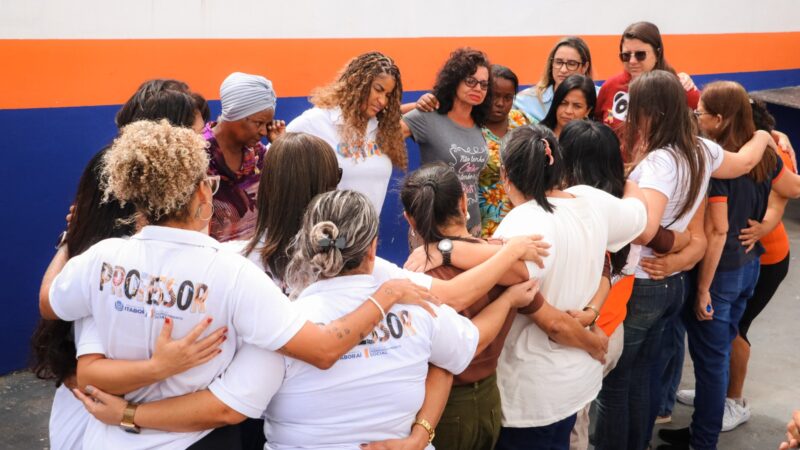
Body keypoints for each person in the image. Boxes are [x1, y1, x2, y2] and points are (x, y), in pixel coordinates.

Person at [38, 120, 435, 449]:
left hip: (105, 438)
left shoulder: (101, 259)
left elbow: (50, 303)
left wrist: (69, 240)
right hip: (195, 439)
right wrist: (387, 295)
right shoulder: (230, 272)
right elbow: (323, 349)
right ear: (199, 192)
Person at [592, 71, 774, 450]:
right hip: (673, 285)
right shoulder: (700, 149)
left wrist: (674, 239)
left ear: (650, 112)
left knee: (617, 383)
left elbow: (645, 229)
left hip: (642, 282)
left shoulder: (659, 164)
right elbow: (742, 162)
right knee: (643, 376)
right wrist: (763, 134)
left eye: (635, 108)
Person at [487, 124, 647, 450]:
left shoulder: (522, 225)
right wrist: (629, 179)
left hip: (529, 396)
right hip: (575, 382)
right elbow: (640, 215)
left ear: (505, 174)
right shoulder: (591, 201)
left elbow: (525, 299)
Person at [658, 81, 800, 450]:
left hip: (719, 274)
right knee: (718, 353)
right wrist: (768, 223)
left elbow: (718, 232)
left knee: (711, 361)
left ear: (719, 119)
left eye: (700, 113)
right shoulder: (765, 155)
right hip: (749, 268)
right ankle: (701, 430)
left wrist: (702, 288)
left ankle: (702, 440)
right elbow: (790, 187)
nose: (695, 117)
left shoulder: (719, 166)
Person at [286, 52, 407, 215]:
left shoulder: (380, 127)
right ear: (356, 82)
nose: (382, 101)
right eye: (378, 89)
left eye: (388, 95)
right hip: (329, 237)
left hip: (367, 237)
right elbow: (275, 162)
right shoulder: (316, 121)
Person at [402, 47, 491, 236]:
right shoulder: (427, 117)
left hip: (471, 225)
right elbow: (382, 132)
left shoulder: (478, 124)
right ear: (454, 80)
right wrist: (413, 106)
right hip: (435, 224)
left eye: (484, 84)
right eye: (470, 81)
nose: (477, 88)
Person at [203, 72, 286, 242]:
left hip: (252, 259)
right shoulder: (198, 154)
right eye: (258, 123)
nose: (264, 132)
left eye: (267, 124)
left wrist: (280, 147)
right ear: (234, 113)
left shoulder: (258, 154)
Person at [595, 22, 699, 152]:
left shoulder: (681, 89)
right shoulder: (610, 86)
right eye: (626, 55)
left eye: (640, 55)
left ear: (658, 53)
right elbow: (598, 124)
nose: (632, 61)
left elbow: (699, 132)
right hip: (614, 170)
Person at [479, 65, 531, 237]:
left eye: (508, 97)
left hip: (522, 223)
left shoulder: (521, 121)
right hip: (483, 227)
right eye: (494, 96)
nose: (500, 103)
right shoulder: (469, 127)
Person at [514, 36, 594, 122]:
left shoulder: (599, 97)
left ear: (585, 67)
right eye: (558, 62)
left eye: (571, 64)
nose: (563, 70)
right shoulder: (525, 100)